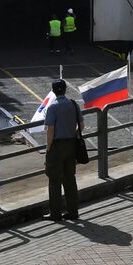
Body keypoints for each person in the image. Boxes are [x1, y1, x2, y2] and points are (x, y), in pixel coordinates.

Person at [43, 78, 83, 221]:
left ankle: (55, 214)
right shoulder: (73, 104)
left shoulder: (52, 107)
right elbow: (81, 126)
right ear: (65, 89)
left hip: (56, 146)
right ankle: (73, 212)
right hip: (71, 144)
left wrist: (48, 148)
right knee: (70, 179)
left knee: (54, 180)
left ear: (53, 91)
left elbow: (50, 130)